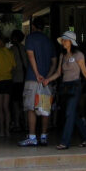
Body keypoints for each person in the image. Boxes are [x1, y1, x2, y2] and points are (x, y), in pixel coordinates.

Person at [46, 31, 86, 149]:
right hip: (65, 87)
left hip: (76, 86)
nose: (63, 42)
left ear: (71, 42)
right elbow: (59, 73)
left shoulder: (79, 55)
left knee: (69, 113)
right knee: (72, 114)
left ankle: (65, 142)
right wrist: (48, 80)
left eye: (65, 40)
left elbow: (84, 71)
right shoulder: (62, 55)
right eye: (63, 40)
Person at [19, 16, 57, 147]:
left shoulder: (30, 38)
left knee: (31, 108)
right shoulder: (49, 41)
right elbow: (54, 62)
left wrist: (37, 74)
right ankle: (44, 136)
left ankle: (32, 136)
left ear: (33, 26)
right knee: (45, 108)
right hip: (46, 81)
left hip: (32, 78)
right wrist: (47, 77)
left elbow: (30, 55)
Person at [9, 29, 27, 132]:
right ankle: (26, 122)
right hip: (25, 78)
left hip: (16, 79)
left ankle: (16, 123)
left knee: (15, 102)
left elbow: (11, 66)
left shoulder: (11, 50)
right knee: (24, 102)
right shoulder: (24, 49)